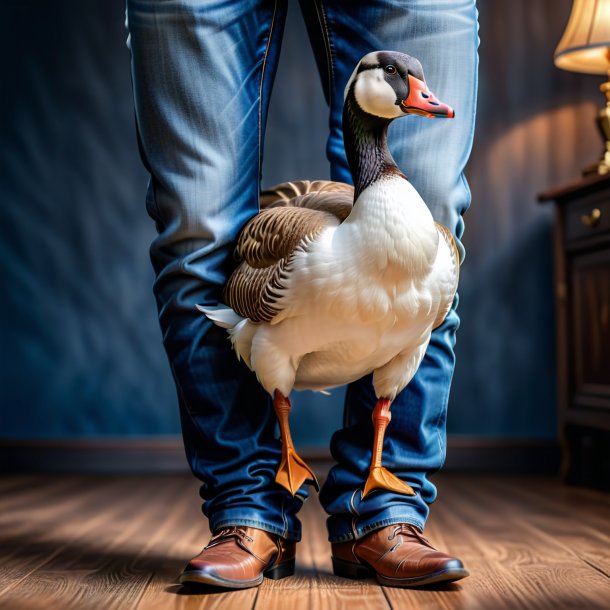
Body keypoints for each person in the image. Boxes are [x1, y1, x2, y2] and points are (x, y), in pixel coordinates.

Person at [126, 0, 478, 590]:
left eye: (413, 84)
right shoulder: (293, 256)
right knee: (198, 229)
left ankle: (382, 506)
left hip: (356, 245)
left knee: (433, 218)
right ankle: (250, 504)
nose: (416, 92)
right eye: (398, 81)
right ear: (374, 87)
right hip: (292, 295)